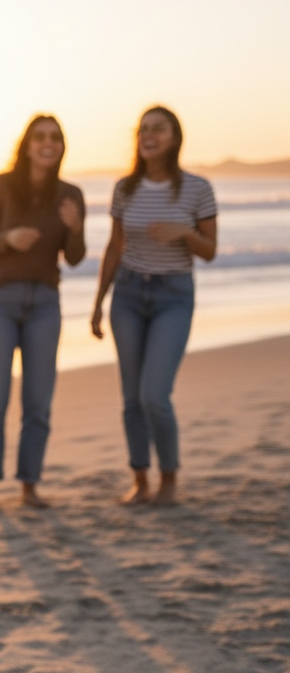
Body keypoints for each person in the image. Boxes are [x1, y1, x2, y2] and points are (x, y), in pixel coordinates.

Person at [91, 105, 217, 506]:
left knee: (154, 396)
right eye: (143, 129)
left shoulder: (198, 189)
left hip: (173, 297)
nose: (149, 135)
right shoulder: (124, 189)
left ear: (174, 137)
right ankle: (140, 481)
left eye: (158, 129)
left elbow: (210, 251)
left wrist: (184, 232)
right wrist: (98, 303)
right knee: (131, 398)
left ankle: (169, 480)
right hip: (127, 295)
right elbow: (114, 247)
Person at [0, 115, 86, 510]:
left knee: (38, 402)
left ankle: (29, 486)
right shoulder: (4, 185)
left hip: (44, 304)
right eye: (40, 137)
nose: (47, 143)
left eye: (55, 137)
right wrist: (8, 238)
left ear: (61, 146)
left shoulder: (70, 194)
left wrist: (74, 228)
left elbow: (74, 258)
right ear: (27, 144)